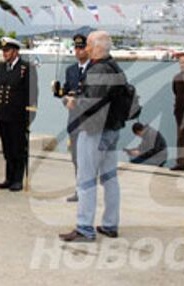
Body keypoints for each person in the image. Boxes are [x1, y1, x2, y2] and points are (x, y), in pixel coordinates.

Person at [59, 31, 124, 242]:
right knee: (110, 178)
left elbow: (92, 103)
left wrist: (73, 102)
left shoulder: (97, 70)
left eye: (87, 44)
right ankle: (110, 224)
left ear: (96, 47)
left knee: (86, 179)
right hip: (113, 128)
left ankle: (85, 228)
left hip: (94, 130)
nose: (85, 48)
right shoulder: (114, 67)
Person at [0, 37, 38, 192]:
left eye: (7, 51)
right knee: (7, 147)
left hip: (18, 115)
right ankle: (9, 177)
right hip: (3, 113)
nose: (5, 54)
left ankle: (18, 178)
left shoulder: (26, 68)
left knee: (18, 147)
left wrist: (30, 115)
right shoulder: (1, 67)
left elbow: (32, 93)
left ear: (16, 51)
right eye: (3, 51)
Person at [55, 34, 90, 202]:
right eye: (76, 48)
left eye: (81, 47)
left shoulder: (95, 69)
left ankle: (87, 191)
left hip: (90, 121)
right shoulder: (71, 71)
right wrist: (61, 96)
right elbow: (66, 92)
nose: (78, 51)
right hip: (74, 120)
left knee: (88, 159)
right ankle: (79, 190)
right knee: (76, 158)